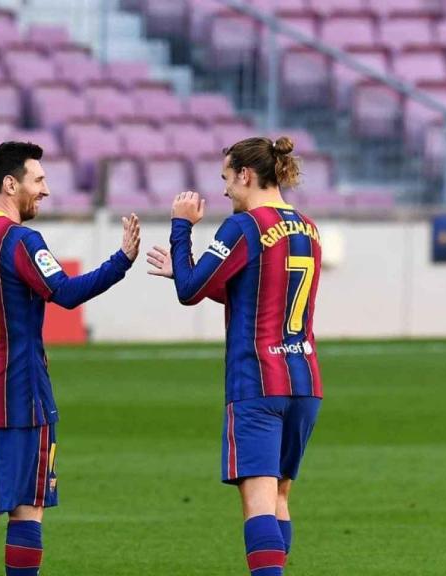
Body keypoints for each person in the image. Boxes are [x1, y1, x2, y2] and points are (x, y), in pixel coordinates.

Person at [0, 141, 140, 576]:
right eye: (38, 180)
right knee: (27, 508)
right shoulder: (20, 240)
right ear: (9, 183)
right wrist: (122, 261)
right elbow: (67, 292)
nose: (45, 190)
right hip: (21, 397)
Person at [147, 137, 322, 576]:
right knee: (280, 496)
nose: (225, 190)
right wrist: (186, 271)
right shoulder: (308, 227)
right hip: (303, 380)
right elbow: (251, 293)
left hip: (257, 381)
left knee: (257, 501)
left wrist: (181, 226)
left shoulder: (244, 226)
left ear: (245, 174)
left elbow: (189, 291)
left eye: (226, 178)